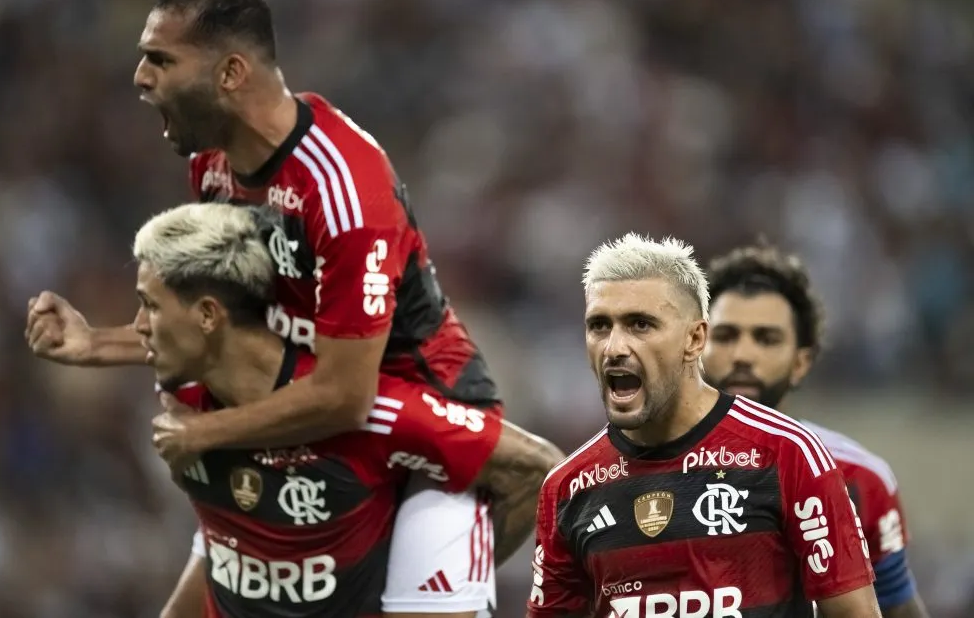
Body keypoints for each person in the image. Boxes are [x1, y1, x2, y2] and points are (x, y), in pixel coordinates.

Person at [25, 0, 563, 618]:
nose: (140, 78)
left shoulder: (343, 188)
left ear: (229, 74)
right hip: (299, 413)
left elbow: (348, 392)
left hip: (413, 422)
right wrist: (96, 343)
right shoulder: (214, 167)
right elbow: (218, 327)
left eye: (160, 60)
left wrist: (214, 429)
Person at [131, 201, 558, 617]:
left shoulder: (368, 411)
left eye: (150, 305)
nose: (137, 326)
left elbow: (539, 471)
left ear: (208, 315)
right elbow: (223, 547)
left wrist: (421, 585)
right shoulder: (184, 401)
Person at [526, 232, 882, 618]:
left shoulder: (785, 454)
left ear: (695, 339)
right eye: (599, 325)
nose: (614, 347)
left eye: (640, 325)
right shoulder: (567, 489)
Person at [701, 242, 929, 618]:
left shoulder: (859, 478)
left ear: (801, 363)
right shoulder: (631, 471)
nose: (742, 354)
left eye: (766, 338)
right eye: (725, 336)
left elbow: (897, 606)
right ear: (696, 343)